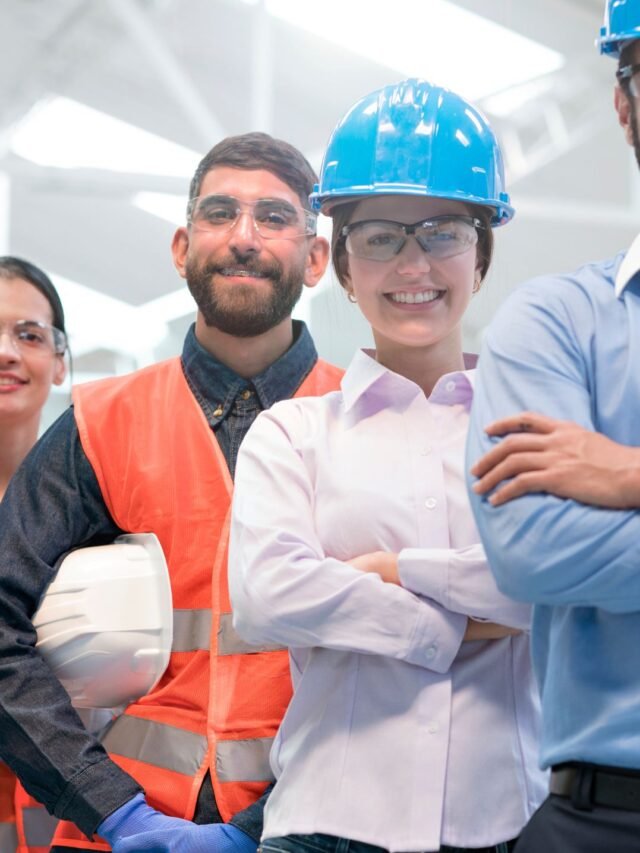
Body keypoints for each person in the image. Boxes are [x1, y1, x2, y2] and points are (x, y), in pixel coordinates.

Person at [0, 132, 343, 853]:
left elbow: (402, 673)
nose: (245, 237)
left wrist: (267, 829)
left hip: (313, 833)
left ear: (315, 259)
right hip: (114, 833)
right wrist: (115, 809)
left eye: (274, 218)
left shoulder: (362, 419)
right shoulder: (100, 421)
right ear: (182, 247)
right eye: (221, 214)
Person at [229, 79, 547, 853]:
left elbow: (543, 587)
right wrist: (451, 621)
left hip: (507, 825)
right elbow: (268, 596)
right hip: (324, 828)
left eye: (443, 231)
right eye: (380, 237)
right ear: (341, 265)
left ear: (482, 253)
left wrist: (394, 569)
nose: (414, 263)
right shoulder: (291, 432)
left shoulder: (534, 432)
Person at [466, 2, 640, 850]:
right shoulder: (553, 323)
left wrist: (631, 475)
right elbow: (534, 549)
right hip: (601, 816)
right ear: (623, 102)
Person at [0, 257, 67, 853]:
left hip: (52, 804)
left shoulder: (98, 508)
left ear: (61, 361)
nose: (7, 353)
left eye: (29, 334)